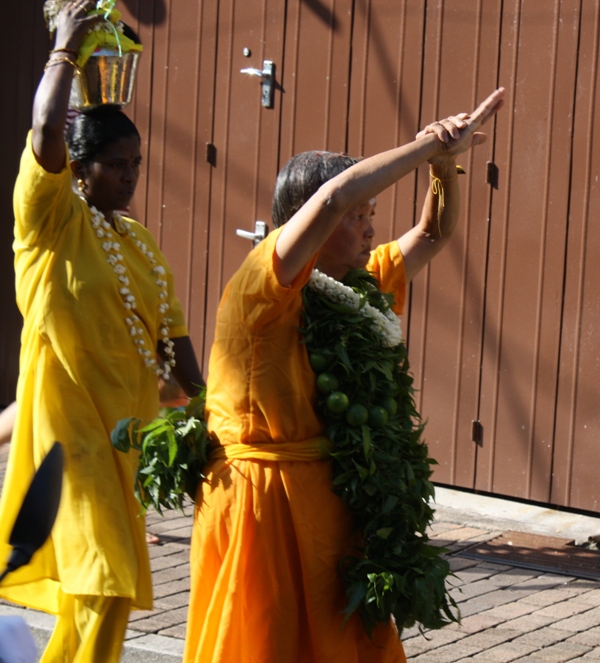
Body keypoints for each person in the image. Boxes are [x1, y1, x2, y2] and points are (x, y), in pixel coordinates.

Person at [182, 88, 505, 662]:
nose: (368, 229)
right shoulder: (266, 281)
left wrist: (443, 167)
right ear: (303, 220)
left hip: (330, 501)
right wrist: (427, 141)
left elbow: (433, 235)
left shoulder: (358, 287)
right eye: (358, 216)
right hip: (262, 505)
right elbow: (332, 197)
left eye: (370, 216)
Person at [0, 2, 204, 661]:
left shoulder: (138, 242)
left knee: (107, 591)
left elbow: (174, 336)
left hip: (125, 441)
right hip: (68, 436)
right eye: (118, 165)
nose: (131, 176)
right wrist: (65, 45)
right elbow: (43, 129)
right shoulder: (50, 221)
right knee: (104, 574)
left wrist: (205, 410)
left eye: (138, 164)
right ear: (79, 169)